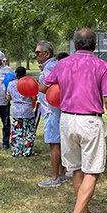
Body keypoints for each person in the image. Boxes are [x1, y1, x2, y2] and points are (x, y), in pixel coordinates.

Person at [40, 28, 107, 213]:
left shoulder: (62, 64)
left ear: (75, 45)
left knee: (76, 169)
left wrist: (63, 90)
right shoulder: (101, 65)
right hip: (90, 121)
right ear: (95, 45)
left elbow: (43, 87)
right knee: (92, 172)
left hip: (67, 120)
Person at [35, 40, 66, 187]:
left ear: (47, 54)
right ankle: (61, 173)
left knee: (54, 144)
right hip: (55, 109)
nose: (36, 56)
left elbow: (43, 87)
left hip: (52, 110)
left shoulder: (49, 68)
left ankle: (55, 178)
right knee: (59, 143)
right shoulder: (55, 65)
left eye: (38, 53)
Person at [6, 66, 38, 157]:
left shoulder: (11, 84)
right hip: (27, 110)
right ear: (25, 74)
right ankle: (27, 150)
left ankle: (17, 151)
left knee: (16, 132)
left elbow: (8, 98)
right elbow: (34, 98)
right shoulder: (28, 84)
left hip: (16, 110)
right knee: (29, 132)